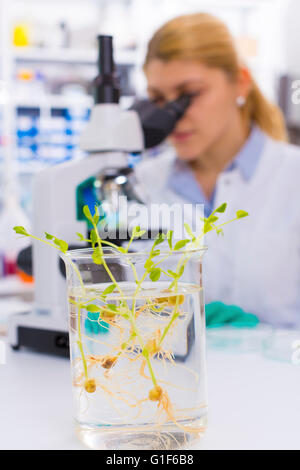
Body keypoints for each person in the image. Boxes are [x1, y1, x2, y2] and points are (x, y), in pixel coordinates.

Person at [134, 12, 300, 328]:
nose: (173, 116)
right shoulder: (141, 186)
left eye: (189, 95)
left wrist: (269, 336)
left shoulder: (293, 177)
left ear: (240, 82)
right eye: (158, 99)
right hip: (175, 374)